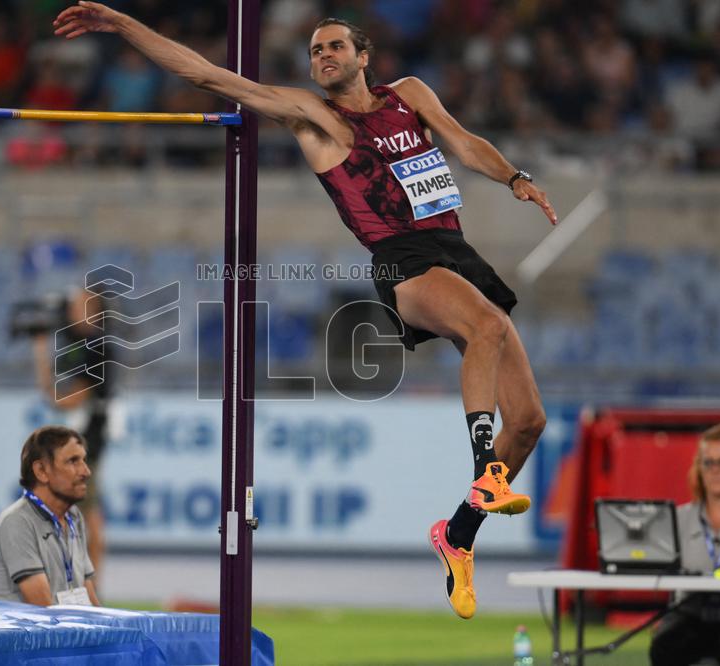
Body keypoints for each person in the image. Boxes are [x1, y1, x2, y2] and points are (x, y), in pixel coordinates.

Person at [53, 2, 557, 619]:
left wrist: (514, 178)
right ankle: (486, 469)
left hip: (458, 249)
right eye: (316, 50)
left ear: (363, 56)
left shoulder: (410, 94)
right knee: (484, 324)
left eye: (335, 47)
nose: (323, 56)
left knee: (529, 421)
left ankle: (457, 535)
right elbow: (213, 78)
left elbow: (464, 143)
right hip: (404, 260)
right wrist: (125, 26)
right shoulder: (314, 117)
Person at [31, 289, 111, 586]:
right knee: (82, 517)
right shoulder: (81, 346)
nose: (73, 311)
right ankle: (86, 589)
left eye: (81, 306)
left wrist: (40, 353)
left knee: (81, 518)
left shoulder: (95, 348)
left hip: (84, 447)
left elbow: (67, 400)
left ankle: (87, 590)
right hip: (83, 444)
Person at [0, 425, 100, 606]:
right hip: (40, 633)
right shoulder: (17, 522)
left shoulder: (74, 517)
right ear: (41, 471)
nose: (86, 471)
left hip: (71, 630)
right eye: (73, 461)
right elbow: (44, 610)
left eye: (84, 460)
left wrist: (108, 633)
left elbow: (89, 597)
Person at [649, 424, 720, 666]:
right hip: (688, 614)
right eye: (708, 462)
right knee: (665, 645)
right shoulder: (677, 518)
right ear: (699, 468)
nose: (715, 470)